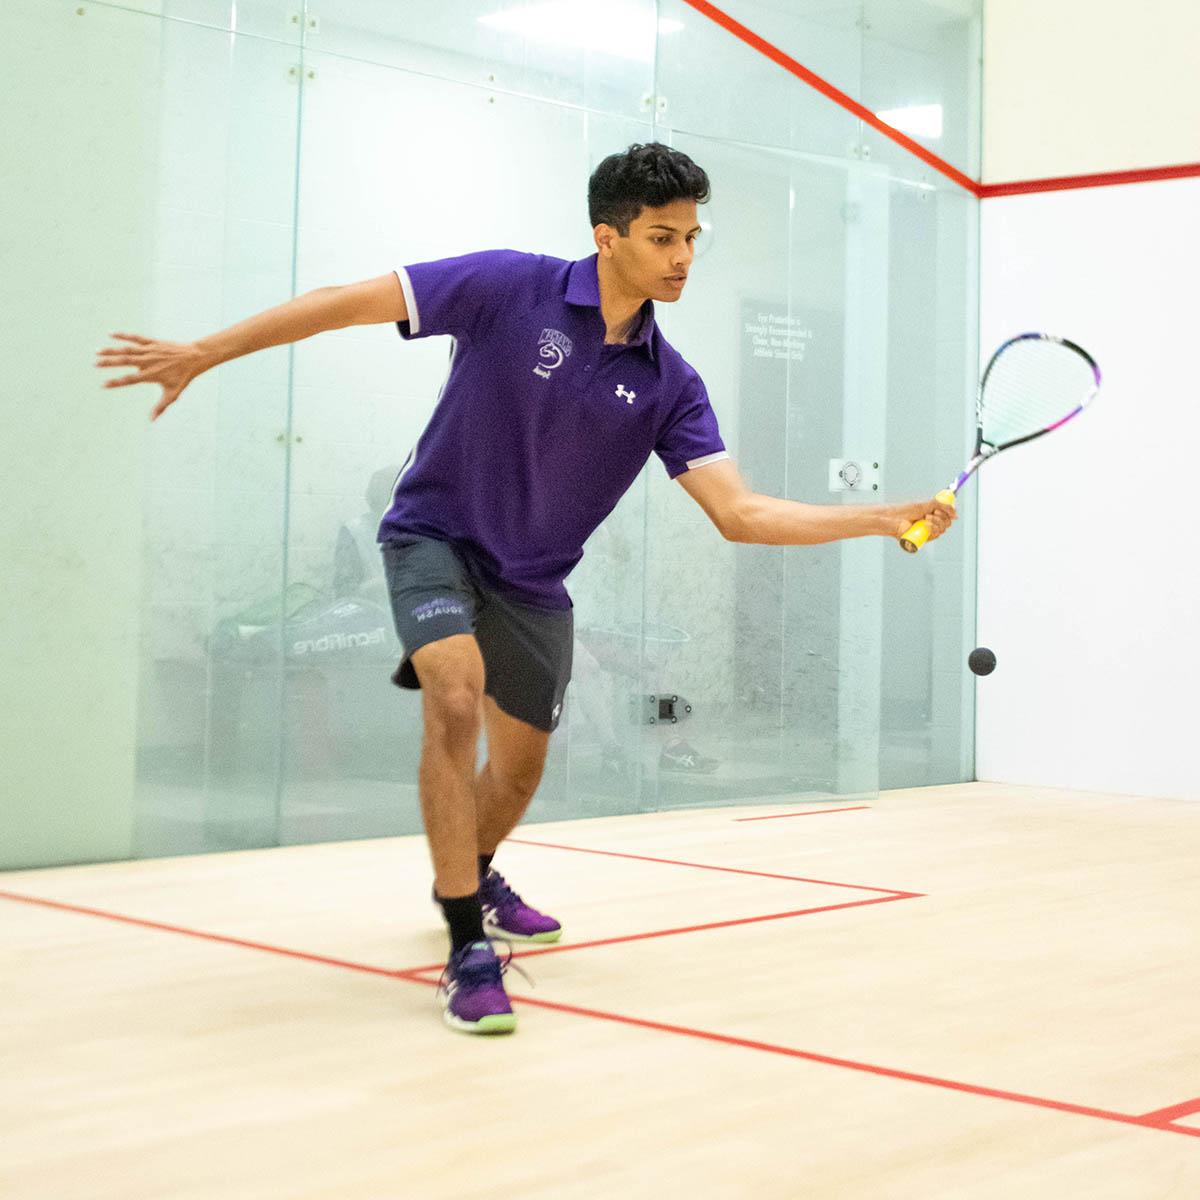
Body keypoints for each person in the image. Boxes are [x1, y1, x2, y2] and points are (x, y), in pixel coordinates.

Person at [96, 142, 955, 1036]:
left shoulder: (672, 385)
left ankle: (477, 865)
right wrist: (207, 350)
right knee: (454, 698)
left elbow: (738, 514)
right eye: (663, 236)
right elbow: (341, 304)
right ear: (606, 235)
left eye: (693, 238)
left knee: (516, 772)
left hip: (535, 582)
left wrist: (882, 518)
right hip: (433, 539)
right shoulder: (508, 286)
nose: (683, 258)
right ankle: (468, 945)